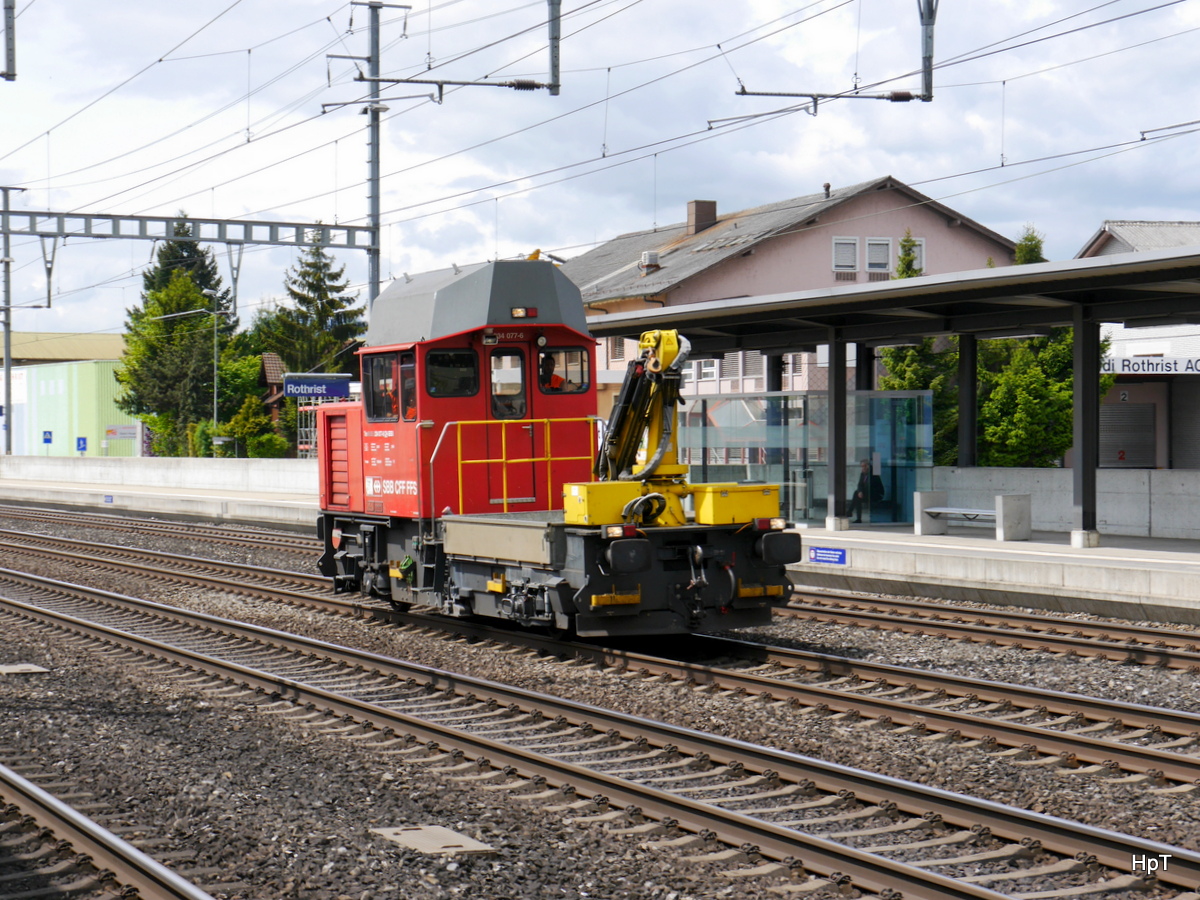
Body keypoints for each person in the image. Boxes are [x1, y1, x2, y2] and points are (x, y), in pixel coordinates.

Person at [848, 459, 885, 523]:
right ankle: (856, 517)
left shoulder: (873, 475)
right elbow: (860, 484)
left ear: (868, 466)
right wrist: (860, 491)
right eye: (862, 466)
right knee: (857, 495)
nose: (863, 468)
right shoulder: (863, 474)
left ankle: (850, 512)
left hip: (876, 494)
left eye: (864, 466)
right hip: (867, 493)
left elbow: (870, 487)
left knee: (856, 494)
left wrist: (861, 492)